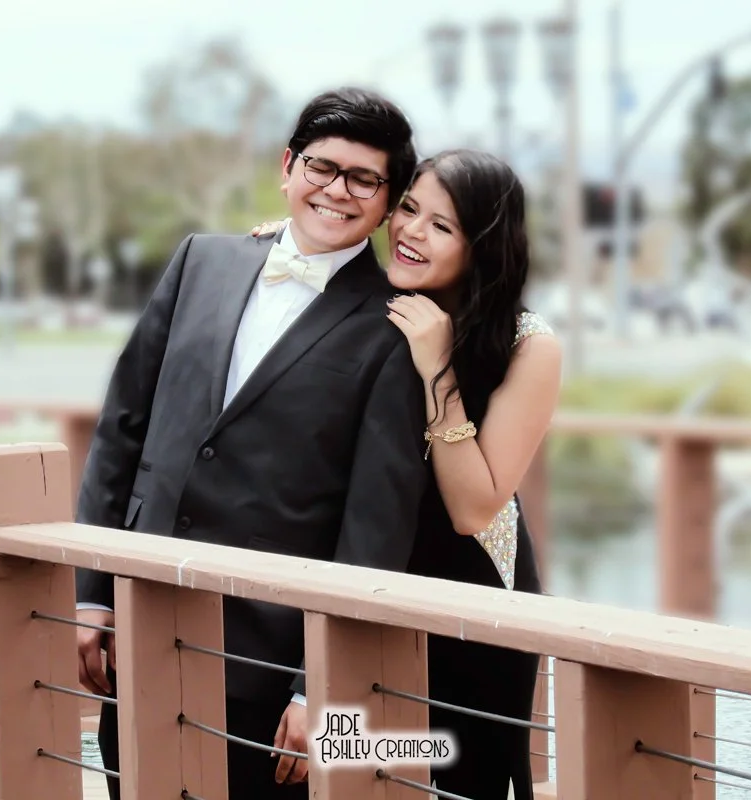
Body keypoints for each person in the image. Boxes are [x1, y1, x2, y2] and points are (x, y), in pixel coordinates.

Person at [72, 87, 425, 800]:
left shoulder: (398, 327)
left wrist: (317, 686)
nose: (337, 191)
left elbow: (372, 527)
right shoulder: (199, 261)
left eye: (364, 180)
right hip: (141, 623)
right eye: (323, 168)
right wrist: (91, 598)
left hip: (268, 666)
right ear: (287, 166)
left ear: (388, 204)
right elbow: (123, 430)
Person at [251, 148, 561, 800]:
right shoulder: (367, 295)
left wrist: (438, 369)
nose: (412, 232)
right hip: (368, 571)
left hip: (467, 599)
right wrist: (289, 244)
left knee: (448, 772)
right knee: (357, 766)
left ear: (481, 248)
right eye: (410, 210)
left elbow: (473, 508)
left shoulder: (528, 344)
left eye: (441, 226)